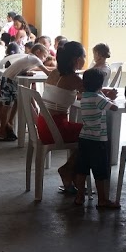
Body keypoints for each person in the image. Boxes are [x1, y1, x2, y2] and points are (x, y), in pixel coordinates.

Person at [40, 42, 88, 192]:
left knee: (85, 133)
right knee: (92, 133)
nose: (85, 60)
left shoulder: (54, 73)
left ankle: (70, 173)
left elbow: (63, 93)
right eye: (84, 56)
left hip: (43, 125)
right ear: (76, 59)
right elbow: (94, 94)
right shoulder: (73, 78)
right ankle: (69, 170)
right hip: (56, 128)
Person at [74, 68, 119, 208]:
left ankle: (79, 196)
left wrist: (103, 94)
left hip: (84, 138)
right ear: (100, 85)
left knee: (82, 169)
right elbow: (114, 108)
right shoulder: (98, 98)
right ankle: (102, 200)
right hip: (98, 140)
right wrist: (109, 98)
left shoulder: (84, 96)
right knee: (100, 172)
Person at [0, 45, 51, 142]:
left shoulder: (29, 57)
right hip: (9, 80)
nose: (44, 59)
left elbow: (21, 68)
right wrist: (59, 70)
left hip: (8, 78)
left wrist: (24, 72)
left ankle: (8, 123)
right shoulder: (35, 59)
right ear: (38, 52)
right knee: (7, 106)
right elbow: (47, 72)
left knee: (15, 102)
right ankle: (2, 130)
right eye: (44, 55)